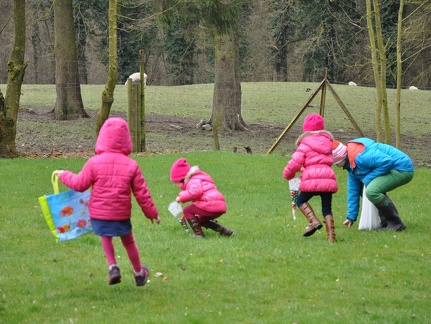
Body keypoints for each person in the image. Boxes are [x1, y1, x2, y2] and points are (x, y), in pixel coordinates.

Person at [54, 117, 160, 287]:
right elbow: (142, 193)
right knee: (129, 241)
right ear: (126, 139)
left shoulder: (93, 163)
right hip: (121, 214)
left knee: (106, 237)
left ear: (102, 137)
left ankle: (113, 267)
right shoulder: (132, 165)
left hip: (99, 214)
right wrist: (151, 213)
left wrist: (64, 174)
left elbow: (79, 184)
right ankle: (139, 273)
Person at [332, 138, 414, 231]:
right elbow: (353, 190)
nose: (337, 166)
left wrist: (367, 179)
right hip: (392, 167)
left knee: (372, 191)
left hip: (402, 168)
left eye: (336, 163)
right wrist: (351, 217)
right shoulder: (351, 163)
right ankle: (384, 222)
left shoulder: (360, 157)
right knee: (363, 188)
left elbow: (387, 162)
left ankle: (396, 224)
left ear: (340, 159)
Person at [283, 114, 338, 241]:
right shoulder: (328, 143)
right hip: (327, 179)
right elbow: (321, 162)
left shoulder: (305, 144)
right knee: (327, 208)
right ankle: (331, 236)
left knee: (300, 201)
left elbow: (295, 163)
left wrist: (288, 175)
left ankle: (313, 221)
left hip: (311, 180)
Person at [170, 157, 233, 238]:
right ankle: (224, 231)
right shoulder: (199, 178)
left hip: (210, 204)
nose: (178, 185)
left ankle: (199, 234)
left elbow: (196, 192)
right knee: (200, 220)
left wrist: (181, 197)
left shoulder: (192, 181)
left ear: (183, 179)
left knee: (187, 211)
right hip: (219, 205)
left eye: (177, 182)